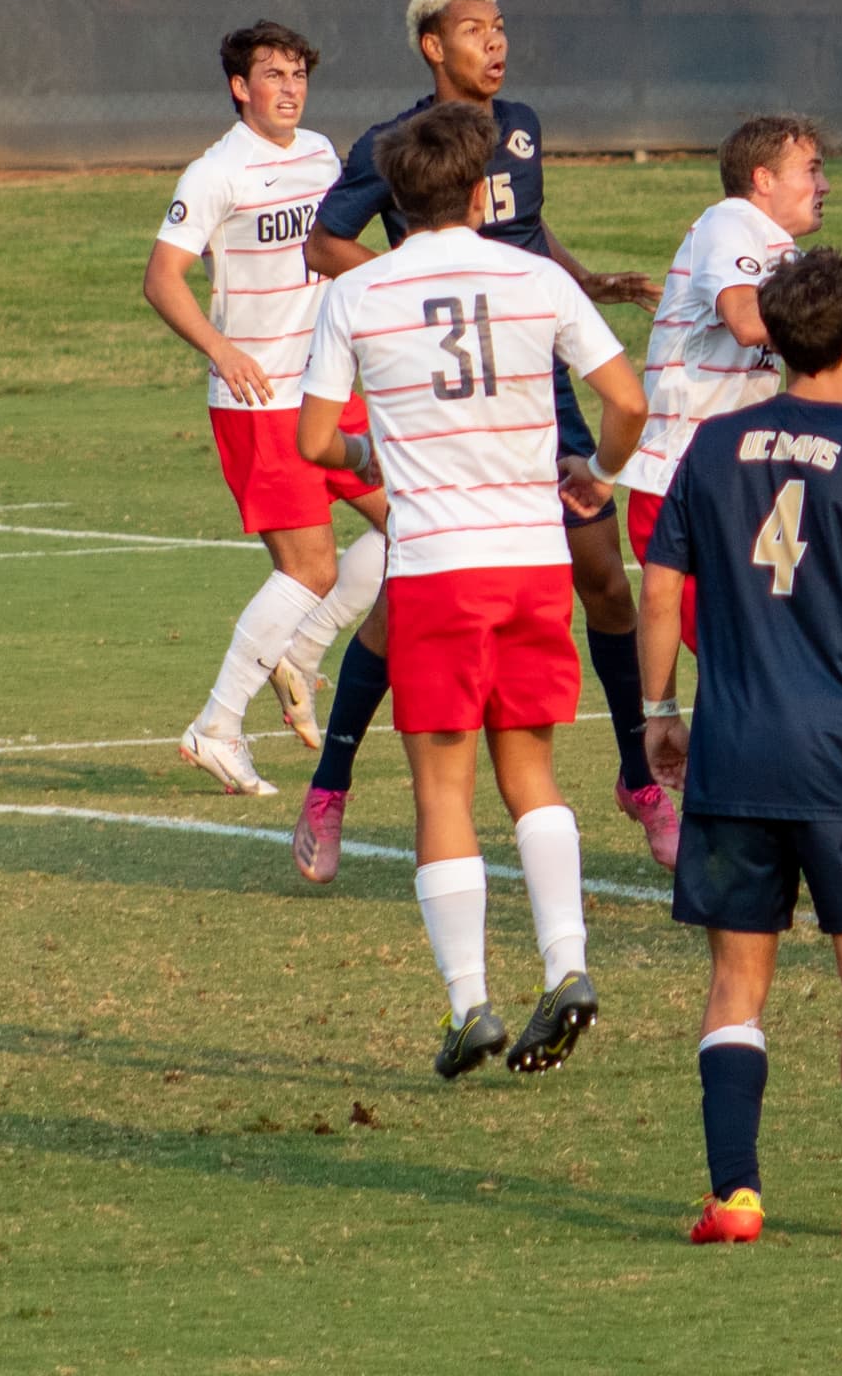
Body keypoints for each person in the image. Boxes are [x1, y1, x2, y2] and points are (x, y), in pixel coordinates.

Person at [297, 100, 647, 1080]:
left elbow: (317, 442)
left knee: (440, 786)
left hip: (438, 566)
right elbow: (626, 401)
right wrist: (598, 475)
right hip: (532, 559)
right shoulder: (533, 276)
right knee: (529, 769)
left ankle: (470, 1007)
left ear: (396, 200)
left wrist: (380, 450)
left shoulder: (359, 295)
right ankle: (567, 967)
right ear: (477, 183)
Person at [296, 0, 667, 882]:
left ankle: (640, 780)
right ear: (432, 45)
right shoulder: (393, 143)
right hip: (441, 386)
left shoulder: (524, 125)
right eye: (474, 31)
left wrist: (591, 285)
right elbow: (322, 242)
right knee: (409, 589)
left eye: (501, 27)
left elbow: (529, 241)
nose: (495, 44)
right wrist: (423, 277)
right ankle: (330, 783)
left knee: (604, 579)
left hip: (537, 379)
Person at [640, 248, 842, 1245]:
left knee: (737, 981)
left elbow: (660, 587)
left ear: (777, 339)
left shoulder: (711, 446)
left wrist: (658, 705)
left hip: (734, 751)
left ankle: (733, 1197)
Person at [145, 22, 389, 796]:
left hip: (328, 391)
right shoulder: (216, 172)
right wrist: (221, 348)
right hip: (261, 403)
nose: (288, 88)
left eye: (298, 75)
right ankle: (217, 726)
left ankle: (304, 648)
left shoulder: (322, 151)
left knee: (415, 525)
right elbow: (162, 279)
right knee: (311, 566)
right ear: (239, 88)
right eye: (272, 75)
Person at [614, 114, 842, 569]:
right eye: (812, 170)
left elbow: (824, 331)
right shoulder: (729, 222)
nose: (825, 186)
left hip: (732, 476)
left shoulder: (780, 250)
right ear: (763, 179)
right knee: (749, 637)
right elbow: (745, 319)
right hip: (680, 482)